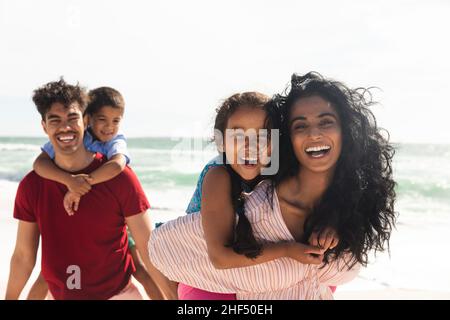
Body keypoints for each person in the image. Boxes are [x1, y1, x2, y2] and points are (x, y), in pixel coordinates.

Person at [149, 72, 396, 299]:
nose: (250, 145)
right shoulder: (218, 176)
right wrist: (287, 250)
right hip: (202, 267)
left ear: (277, 142)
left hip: (252, 268)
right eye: (238, 135)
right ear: (221, 142)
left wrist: (331, 227)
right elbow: (219, 257)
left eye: (262, 135)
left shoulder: (276, 171)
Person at [5, 78, 173, 300]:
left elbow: (149, 248)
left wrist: (175, 299)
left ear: (85, 121)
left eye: (72, 118)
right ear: (44, 127)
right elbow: (23, 256)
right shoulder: (32, 185)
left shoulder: (120, 178)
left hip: (118, 295)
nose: (65, 127)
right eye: (55, 120)